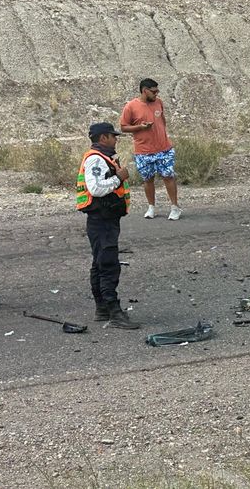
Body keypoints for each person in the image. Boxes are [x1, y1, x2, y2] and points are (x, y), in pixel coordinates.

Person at [77, 122, 138, 330]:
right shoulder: (96, 159)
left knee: (99, 263)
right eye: (113, 136)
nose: (115, 139)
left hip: (103, 219)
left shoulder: (101, 158)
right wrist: (118, 178)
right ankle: (114, 312)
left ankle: (101, 309)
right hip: (102, 220)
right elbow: (95, 189)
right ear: (103, 138)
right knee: (108, 265)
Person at [120, 78, 181, 220]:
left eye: (157, 91)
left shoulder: (159, 102)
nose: (156, 94)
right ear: (144, 90)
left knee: (168, 176)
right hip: (143, 151)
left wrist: (163, 135)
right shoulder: (130, 106)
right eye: (154, 91)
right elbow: (123, 127)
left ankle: (175, 207)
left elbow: (162, 120)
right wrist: (140, 127)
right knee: (148, 179)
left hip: (164, 149)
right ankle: (151, 207)